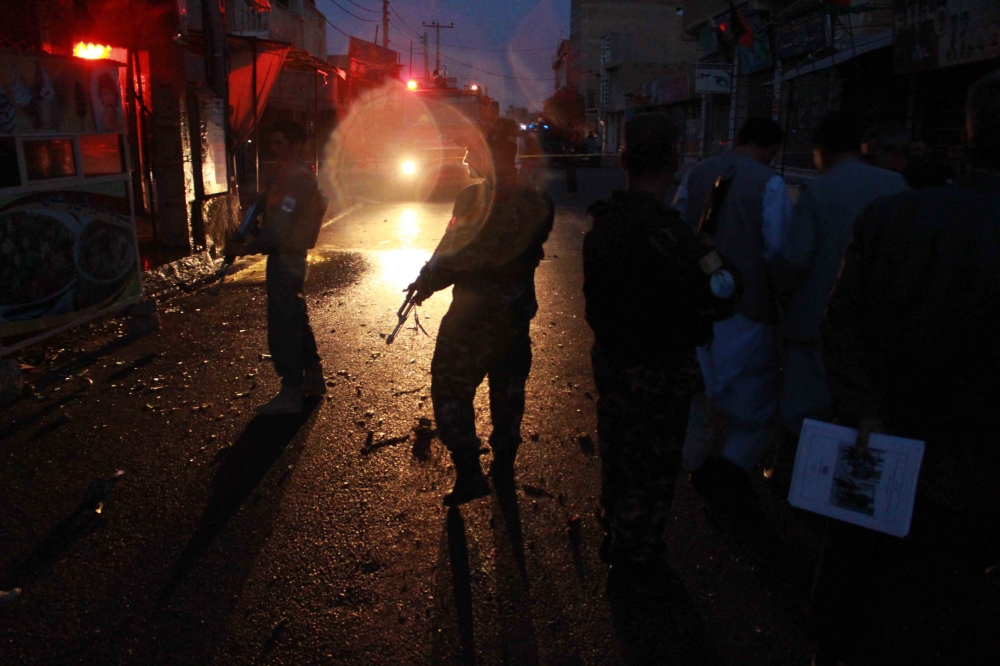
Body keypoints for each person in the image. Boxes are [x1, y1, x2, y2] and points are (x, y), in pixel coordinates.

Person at [812, 71, 1000, 664]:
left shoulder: (892, 219)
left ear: (966, 136)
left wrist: (867, 414)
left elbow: (838, 328)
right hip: (974, 492)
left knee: (854, 607)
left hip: (876, 456)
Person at [584, 114, 738, 595]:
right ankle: (635, 559)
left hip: (612, 365)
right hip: (659, 374)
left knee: (617, 456)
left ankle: (617, 533)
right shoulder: (678, 239)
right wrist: (708, 251)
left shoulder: (603, 225)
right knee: (650, 474)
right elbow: (722, 294)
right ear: (672, 159)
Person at [412, 118, 554, 506]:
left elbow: (452, 253)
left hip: (471, 322)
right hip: (514, 318)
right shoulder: (539, 200)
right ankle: (504, 465)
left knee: (451, 389)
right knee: (508, 392)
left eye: (473, 149)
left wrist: (425, 284)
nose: (464, 156)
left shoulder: (472, 199)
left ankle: (470, 473)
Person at [673, 118, 792, 483]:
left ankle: (692, 459)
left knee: (697, 389)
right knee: (752, 404)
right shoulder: (770, 182)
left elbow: (678, 230)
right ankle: (729, 472)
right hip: (746, 310)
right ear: (773, 149)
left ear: (737, 139)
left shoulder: (696, 175)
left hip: (696, 308)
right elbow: (779, 251)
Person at [775, 112, 909, 439]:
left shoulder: (820, 191)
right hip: (880, 333)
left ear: (821, 150)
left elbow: (794, 261)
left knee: (808, 426)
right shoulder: (897, 187)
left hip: (816, 332)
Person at [224, 119, 328, 415]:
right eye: (272, 142)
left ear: (295, 145)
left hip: (286, 256)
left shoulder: (295, 177)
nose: (274, 147)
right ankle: (312, 377)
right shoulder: (284, 174)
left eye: (280, 142)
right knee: (295, 317)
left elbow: (280, 226)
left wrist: (247, 249)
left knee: (284, 323)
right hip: (285, 255)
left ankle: (291, 390)